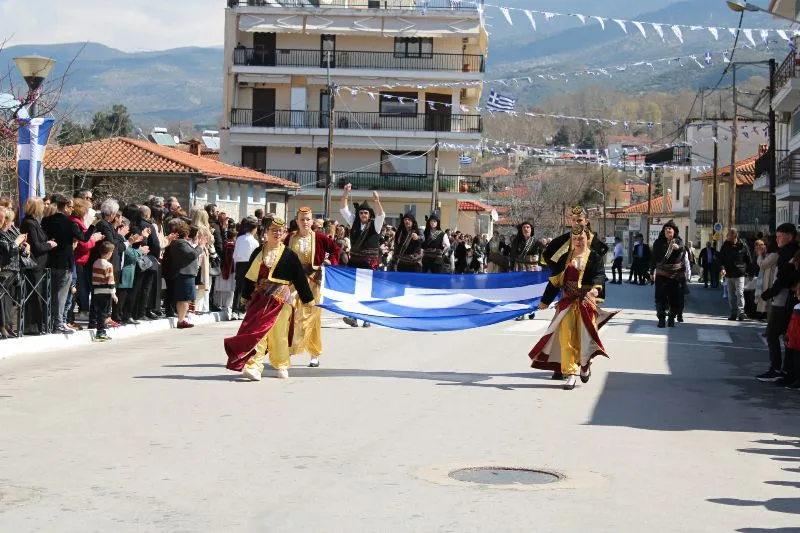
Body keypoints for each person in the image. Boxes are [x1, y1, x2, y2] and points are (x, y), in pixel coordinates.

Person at [224, 218, 315, 381]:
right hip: (260, 299)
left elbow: (300, 279)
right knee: (257, 332)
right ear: (266, 232)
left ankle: (281, 364)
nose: (277, 233)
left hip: (281, 301)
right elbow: (250, 278)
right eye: (273, 230)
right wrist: (245, 296)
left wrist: (308, 299)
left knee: (279, 334)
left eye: (280, 231)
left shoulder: (289, 255)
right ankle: (254, 366)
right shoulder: (258, 252)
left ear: (284, 233)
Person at [528, 225, 617, 390]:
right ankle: (570, 374)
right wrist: (544, 301)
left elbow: (599, 275)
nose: (578, 241)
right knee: (566, 339)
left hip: (586, 304)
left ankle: (585, 364)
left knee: (585, 338)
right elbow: (554, 282)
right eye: (575, 239)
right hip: (567, 303)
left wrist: (594, 290)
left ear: (587, 239)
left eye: (581, 238)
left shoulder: (594, 257)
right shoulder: (564, 258)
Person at [285, 206, 340, 368]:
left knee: (312, 318)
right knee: (291, 316)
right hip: (294, 283)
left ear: (312, 221)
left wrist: (329, 262)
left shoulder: (320, 238)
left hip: (313, 282)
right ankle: (287, 351)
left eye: (308, 219)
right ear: (297, 221)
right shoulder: (290, 238)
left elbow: (335, 250)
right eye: (302, 219)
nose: (305, 222)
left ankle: (314, 353)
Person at [757, 223, 799, 383]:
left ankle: (777, 369)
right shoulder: (787, 251)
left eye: (780, 236)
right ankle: (786, 370)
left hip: (783, 298)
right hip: (785, 297)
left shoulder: (789, 252)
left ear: (790, 236)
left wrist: (769, 293)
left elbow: (783, 278)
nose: (777, 239)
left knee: (773, 333)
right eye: (777, 236)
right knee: (786, 335)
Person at [339, 184, 385, 327]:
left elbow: (381, 215)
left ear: (369, 214)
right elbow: (343, 209)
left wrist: (377, 201)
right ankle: (353, 317)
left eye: (366, 213)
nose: (363, 215)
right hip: (355, 261)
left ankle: (367, 318)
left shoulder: (376, 225)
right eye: (361, 213)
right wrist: (346, 193)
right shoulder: (354, 222)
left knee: (367, 290)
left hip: (369, 263)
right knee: (353, 290)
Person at [649, 220, 686, 328]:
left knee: (674, 297)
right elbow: (654, 258)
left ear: (674, 231)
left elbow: (683, 248)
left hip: (675, 275)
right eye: (666, 229)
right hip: (661, 273)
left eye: (670, 228)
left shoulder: (678, 241)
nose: (668, 230)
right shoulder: (658, 242)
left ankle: (671, 318)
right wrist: (651, 271)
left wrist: (677, 248)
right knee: (660, 297)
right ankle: (661, 319)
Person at [510, 221, 541, 321]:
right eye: (524, 227)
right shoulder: (517, 241)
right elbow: (513, 255)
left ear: (531, 230)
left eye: (528, 227)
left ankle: (532, 309)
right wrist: (511, 268)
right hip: (519, 268)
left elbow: (540, 256)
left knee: (532, 290)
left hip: (532, 269)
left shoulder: (536, 241)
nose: (526, 229)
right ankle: (520, 312)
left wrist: (541, 266)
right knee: (520, 291)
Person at [719, 228, 753, 321]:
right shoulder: (725, 245)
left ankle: (741, 313)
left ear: (734, 236)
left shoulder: (743, 245)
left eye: (729, 234)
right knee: (731, 296)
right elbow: (721, 259)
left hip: (740, 273)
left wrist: (751, 272)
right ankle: (733, 313)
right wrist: (722, 268)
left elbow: (748, 259)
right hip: (729, 274)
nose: (727, 236)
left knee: (739, 293)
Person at [231, 216, 261, 319]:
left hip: (239, 264)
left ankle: (234, 311)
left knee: (238, 288)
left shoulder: (239, 238)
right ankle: (242, 310)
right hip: (249, 265)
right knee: (247, 289)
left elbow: (235, 255)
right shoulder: (255, 242)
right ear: (254, 229)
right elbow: (256, 257)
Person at [91, 241, 118, 342]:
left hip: (97, 291)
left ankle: (100, 331)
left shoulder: (95, 263)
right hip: (105, 292)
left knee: (99, 312)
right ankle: (100, 332)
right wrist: (113, 294)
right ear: (109, 253)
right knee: (104, 313)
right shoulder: (108, 265)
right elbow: (110, 281)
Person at [755, 238, 778, 320]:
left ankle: (769, 321)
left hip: (770, 281)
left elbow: (763, 264)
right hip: (768, 280)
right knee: (767, 302)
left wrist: (760, 255)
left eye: (765, 244)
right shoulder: (770, 254)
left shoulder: (774, 255)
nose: (764, 246)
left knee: (769, 302)